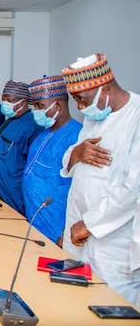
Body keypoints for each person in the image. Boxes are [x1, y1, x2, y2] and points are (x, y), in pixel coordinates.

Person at [60, 53, 140, 305]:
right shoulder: (95, 115)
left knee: (108, 306)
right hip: (77, 227)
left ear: (104, 88)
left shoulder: (135, 118)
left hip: (112, 241)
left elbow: (133, 188)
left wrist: (91, 223)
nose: (81, 108)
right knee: (72, 300)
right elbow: (69, 159)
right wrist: (77, 153)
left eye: (82, 100)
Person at [22, 75, 82, 245]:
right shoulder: (43, 133)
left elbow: (81, 189)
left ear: (58, 105)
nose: (36, 111)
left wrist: (64, 232)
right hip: (34, 217)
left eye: (40, 106)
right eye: (34, 106)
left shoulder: (77, 136)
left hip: (57, 226)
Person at [0, 80, 41, 215]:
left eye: (9, 100)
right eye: (3, 100)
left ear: (23, 102)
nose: (5, 104)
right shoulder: (11, 119)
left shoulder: (33, 125)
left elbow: (30, 164)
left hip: (11, 192)